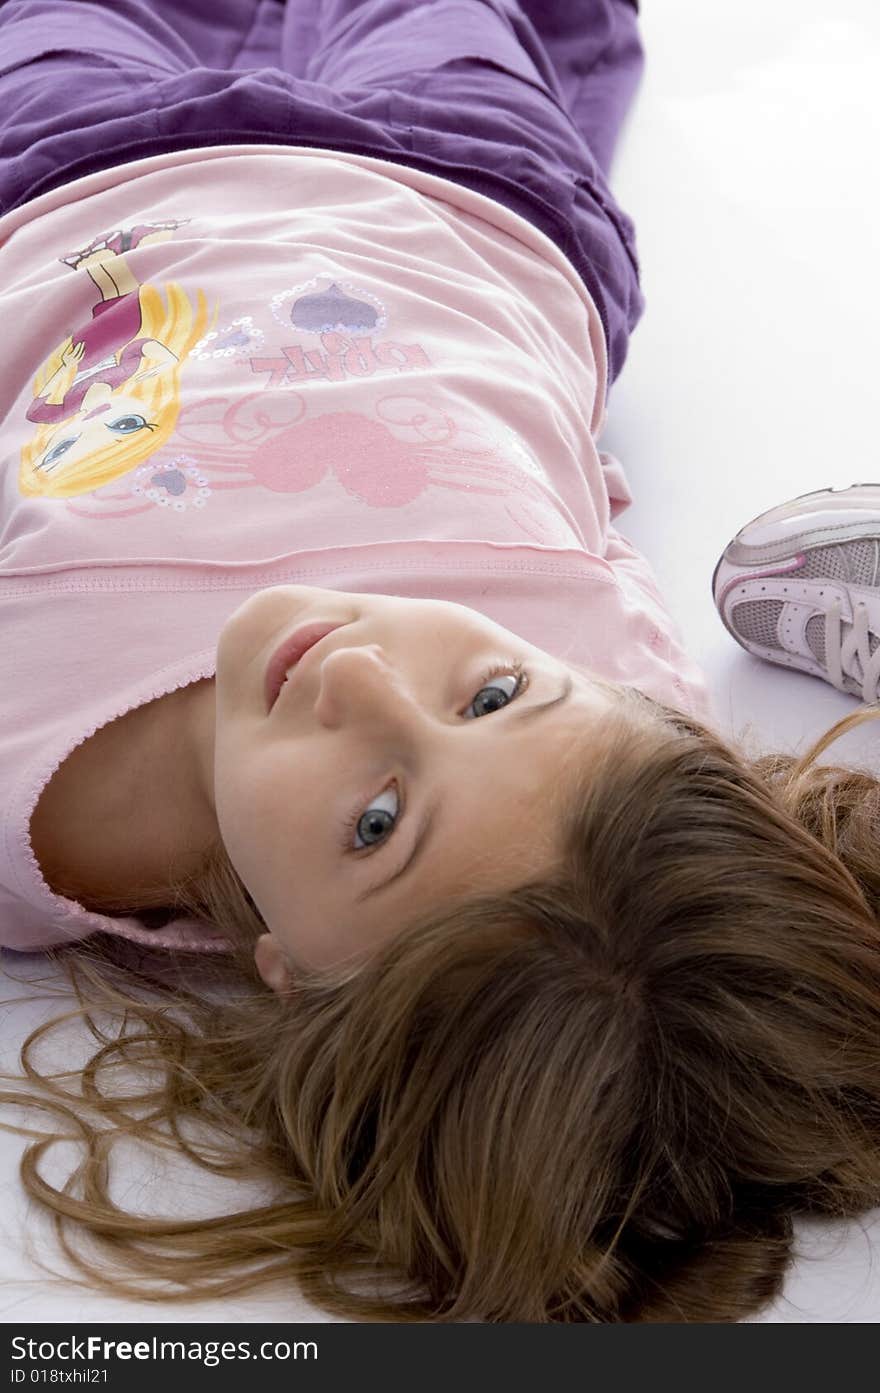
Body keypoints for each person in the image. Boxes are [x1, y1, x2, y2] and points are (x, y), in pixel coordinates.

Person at [1, 0, 879, 1325]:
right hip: (458, 179)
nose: (362, 676)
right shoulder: (629, 733)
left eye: (375, 822)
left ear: (295, 977)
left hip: (61, 175)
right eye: (492, 694)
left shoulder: (23, 784)